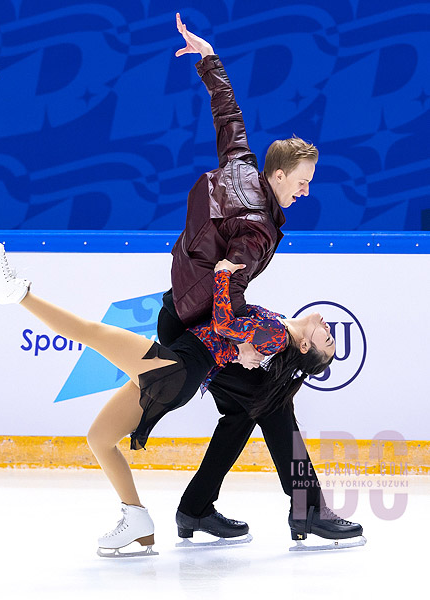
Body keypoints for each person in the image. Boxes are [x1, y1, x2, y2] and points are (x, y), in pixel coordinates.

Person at [0, 238, 334, 555]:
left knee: (90, 332)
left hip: (174, 369)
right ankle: (137, 520)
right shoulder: (277, 325)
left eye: (327, 341)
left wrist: (222, 274)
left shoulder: (277, 333)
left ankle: (16, 292)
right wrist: (238, 350)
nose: (328, 330)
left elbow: (224, 324)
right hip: (177, 375)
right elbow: (228, 332)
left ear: (305, 346)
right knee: (99, 438)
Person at [158, 14, 364, 546]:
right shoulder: (257, 227)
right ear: (277, 176)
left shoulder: (243, 165)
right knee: (270, 398)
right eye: (302, 182)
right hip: (200, 328)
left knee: (250, 408)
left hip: (186, 311)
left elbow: (229, 120)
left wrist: (210, 62)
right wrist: (242, 342)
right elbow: (227, 286)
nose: (305, 191)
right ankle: (303, 511)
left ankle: (199, 508)